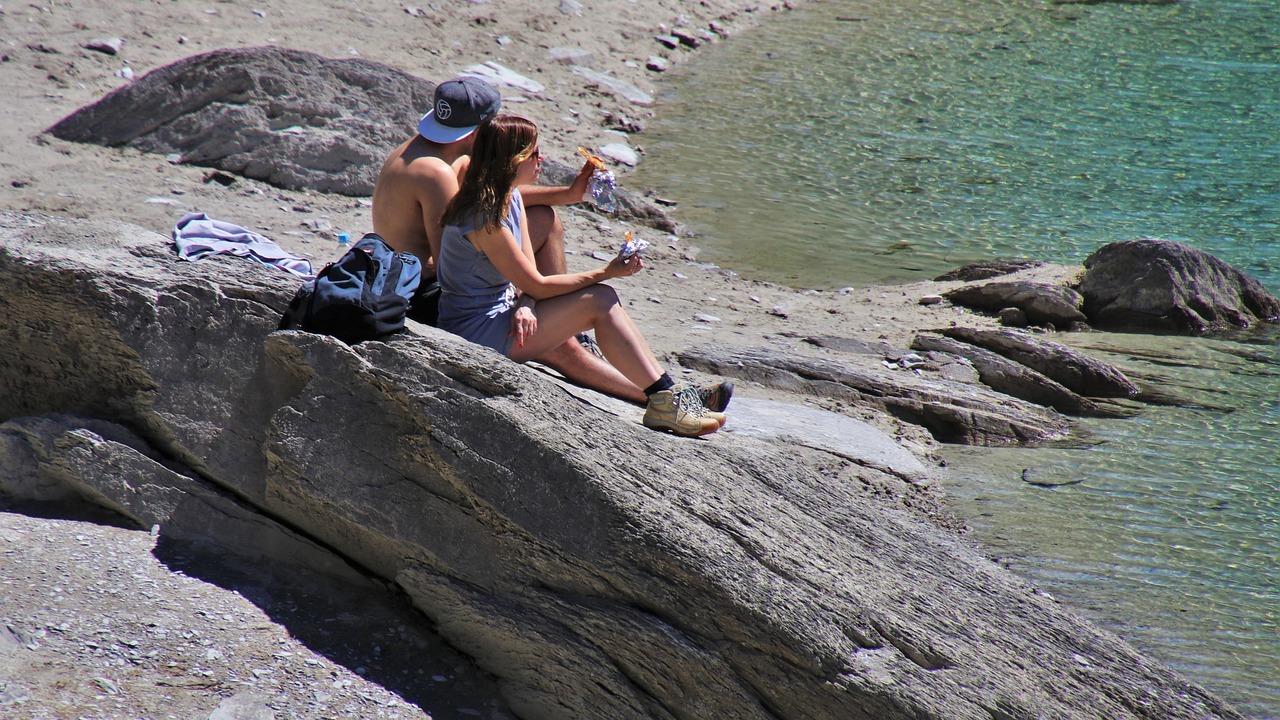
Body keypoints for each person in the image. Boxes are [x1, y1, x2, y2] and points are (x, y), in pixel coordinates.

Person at [371, 76, 664, 406]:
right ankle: (651, 395)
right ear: (480, 131)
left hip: (455, 276)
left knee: (546, 220)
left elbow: (498, 195)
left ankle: (568, 323)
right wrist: (525, 296)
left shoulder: (440, 151)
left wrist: (569, 195)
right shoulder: (435, 172)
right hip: (428, 293)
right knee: (558, 345)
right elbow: (454, 253)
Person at [436, 115, 730, 437]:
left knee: (549, 219)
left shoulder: (509, 197)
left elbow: (530, 278)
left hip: (500, 312)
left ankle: (668, 394)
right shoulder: (484, 218)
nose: (542, 158)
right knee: (600, 299)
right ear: (513, 160)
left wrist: (527, 302)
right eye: (534, 153)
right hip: (475, 333)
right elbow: (536, 284)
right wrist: (608, 271)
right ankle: (665, 399)